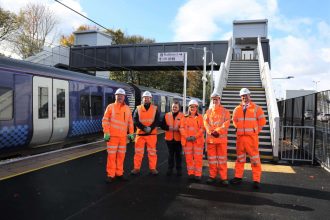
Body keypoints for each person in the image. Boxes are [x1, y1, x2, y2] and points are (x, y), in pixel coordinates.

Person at [230, 88, 266, 189]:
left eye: (246, 96)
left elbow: (262, 121)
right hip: (240, 138)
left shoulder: (257, 108)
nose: (244, 97)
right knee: (240, 159)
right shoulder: (237, 109)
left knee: (255, 159)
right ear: (241, 97)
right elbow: (234, 120)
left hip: (251, 138)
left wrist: (255, 131)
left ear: (249, 96)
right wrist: (238, 128)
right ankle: (238, 177)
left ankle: (256, 180)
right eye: (242, 96)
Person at [102, 88, 135, 183]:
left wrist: (131, 133)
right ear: (115, 96)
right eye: (118, 95)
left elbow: (130, 122)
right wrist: (106, 132)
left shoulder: (127, 108)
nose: (120, 97)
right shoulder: (110, 107)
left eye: (122, 95)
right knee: (111, 156)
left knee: (121, 156)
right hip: (112, 137)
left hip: (123, 138)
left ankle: (119, 173)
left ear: (124, 97)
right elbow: (105, 120)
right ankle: (110, 175)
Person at [203, 92, 230, 185]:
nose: (215, 101)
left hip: (221, 140)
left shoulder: (225, 111)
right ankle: (212, 176)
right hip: (211, 140)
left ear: (219, 100)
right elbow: (205, 123)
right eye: (213, 99)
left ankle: (224, 178)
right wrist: (211, 132)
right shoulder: (208, 111)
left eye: (216, 99)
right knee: (212, 160)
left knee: (222, 160)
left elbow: (226, 123)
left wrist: (217, 131)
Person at [131, 91, 160, 175]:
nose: (146, 99)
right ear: (142, 99)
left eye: (148, 98)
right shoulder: (138, 108)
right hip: (140, 134)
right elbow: (135, 120)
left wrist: (150, 128)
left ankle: (153, 168)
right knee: (138, 153)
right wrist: (143, 128)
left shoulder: (155, 108)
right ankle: (136, 168)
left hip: (151, 134)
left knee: (152, 152)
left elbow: (157, 120)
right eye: (145, 97)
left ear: (150, 99)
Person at [179, 100, 205, 181]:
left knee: (198, 159)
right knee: (189, 158)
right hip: (187, 141)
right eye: (191, 106)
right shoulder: (184, 117)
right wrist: (187, 137)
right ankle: (191, 173)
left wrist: (195, 137)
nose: (193, 108)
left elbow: (202, 128)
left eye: (194, 106)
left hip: (197, 141)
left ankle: (198, 174)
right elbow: (181, 128)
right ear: (188, 107)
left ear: (197, 108)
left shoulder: (200, 117)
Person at [160, 101, 184, 176]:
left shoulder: (182, 116)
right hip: (169, 139)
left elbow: (185, 127)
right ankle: (170, 169)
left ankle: (179, 170)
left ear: (179, 108)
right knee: (170, 155)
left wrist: (179, 129)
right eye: (173, 107)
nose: (174, 108)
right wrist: (168, 128)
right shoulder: (167, 115)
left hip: (178, 139)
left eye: (176, 107)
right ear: (171, 107)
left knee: (178, 155)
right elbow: (162, 125)